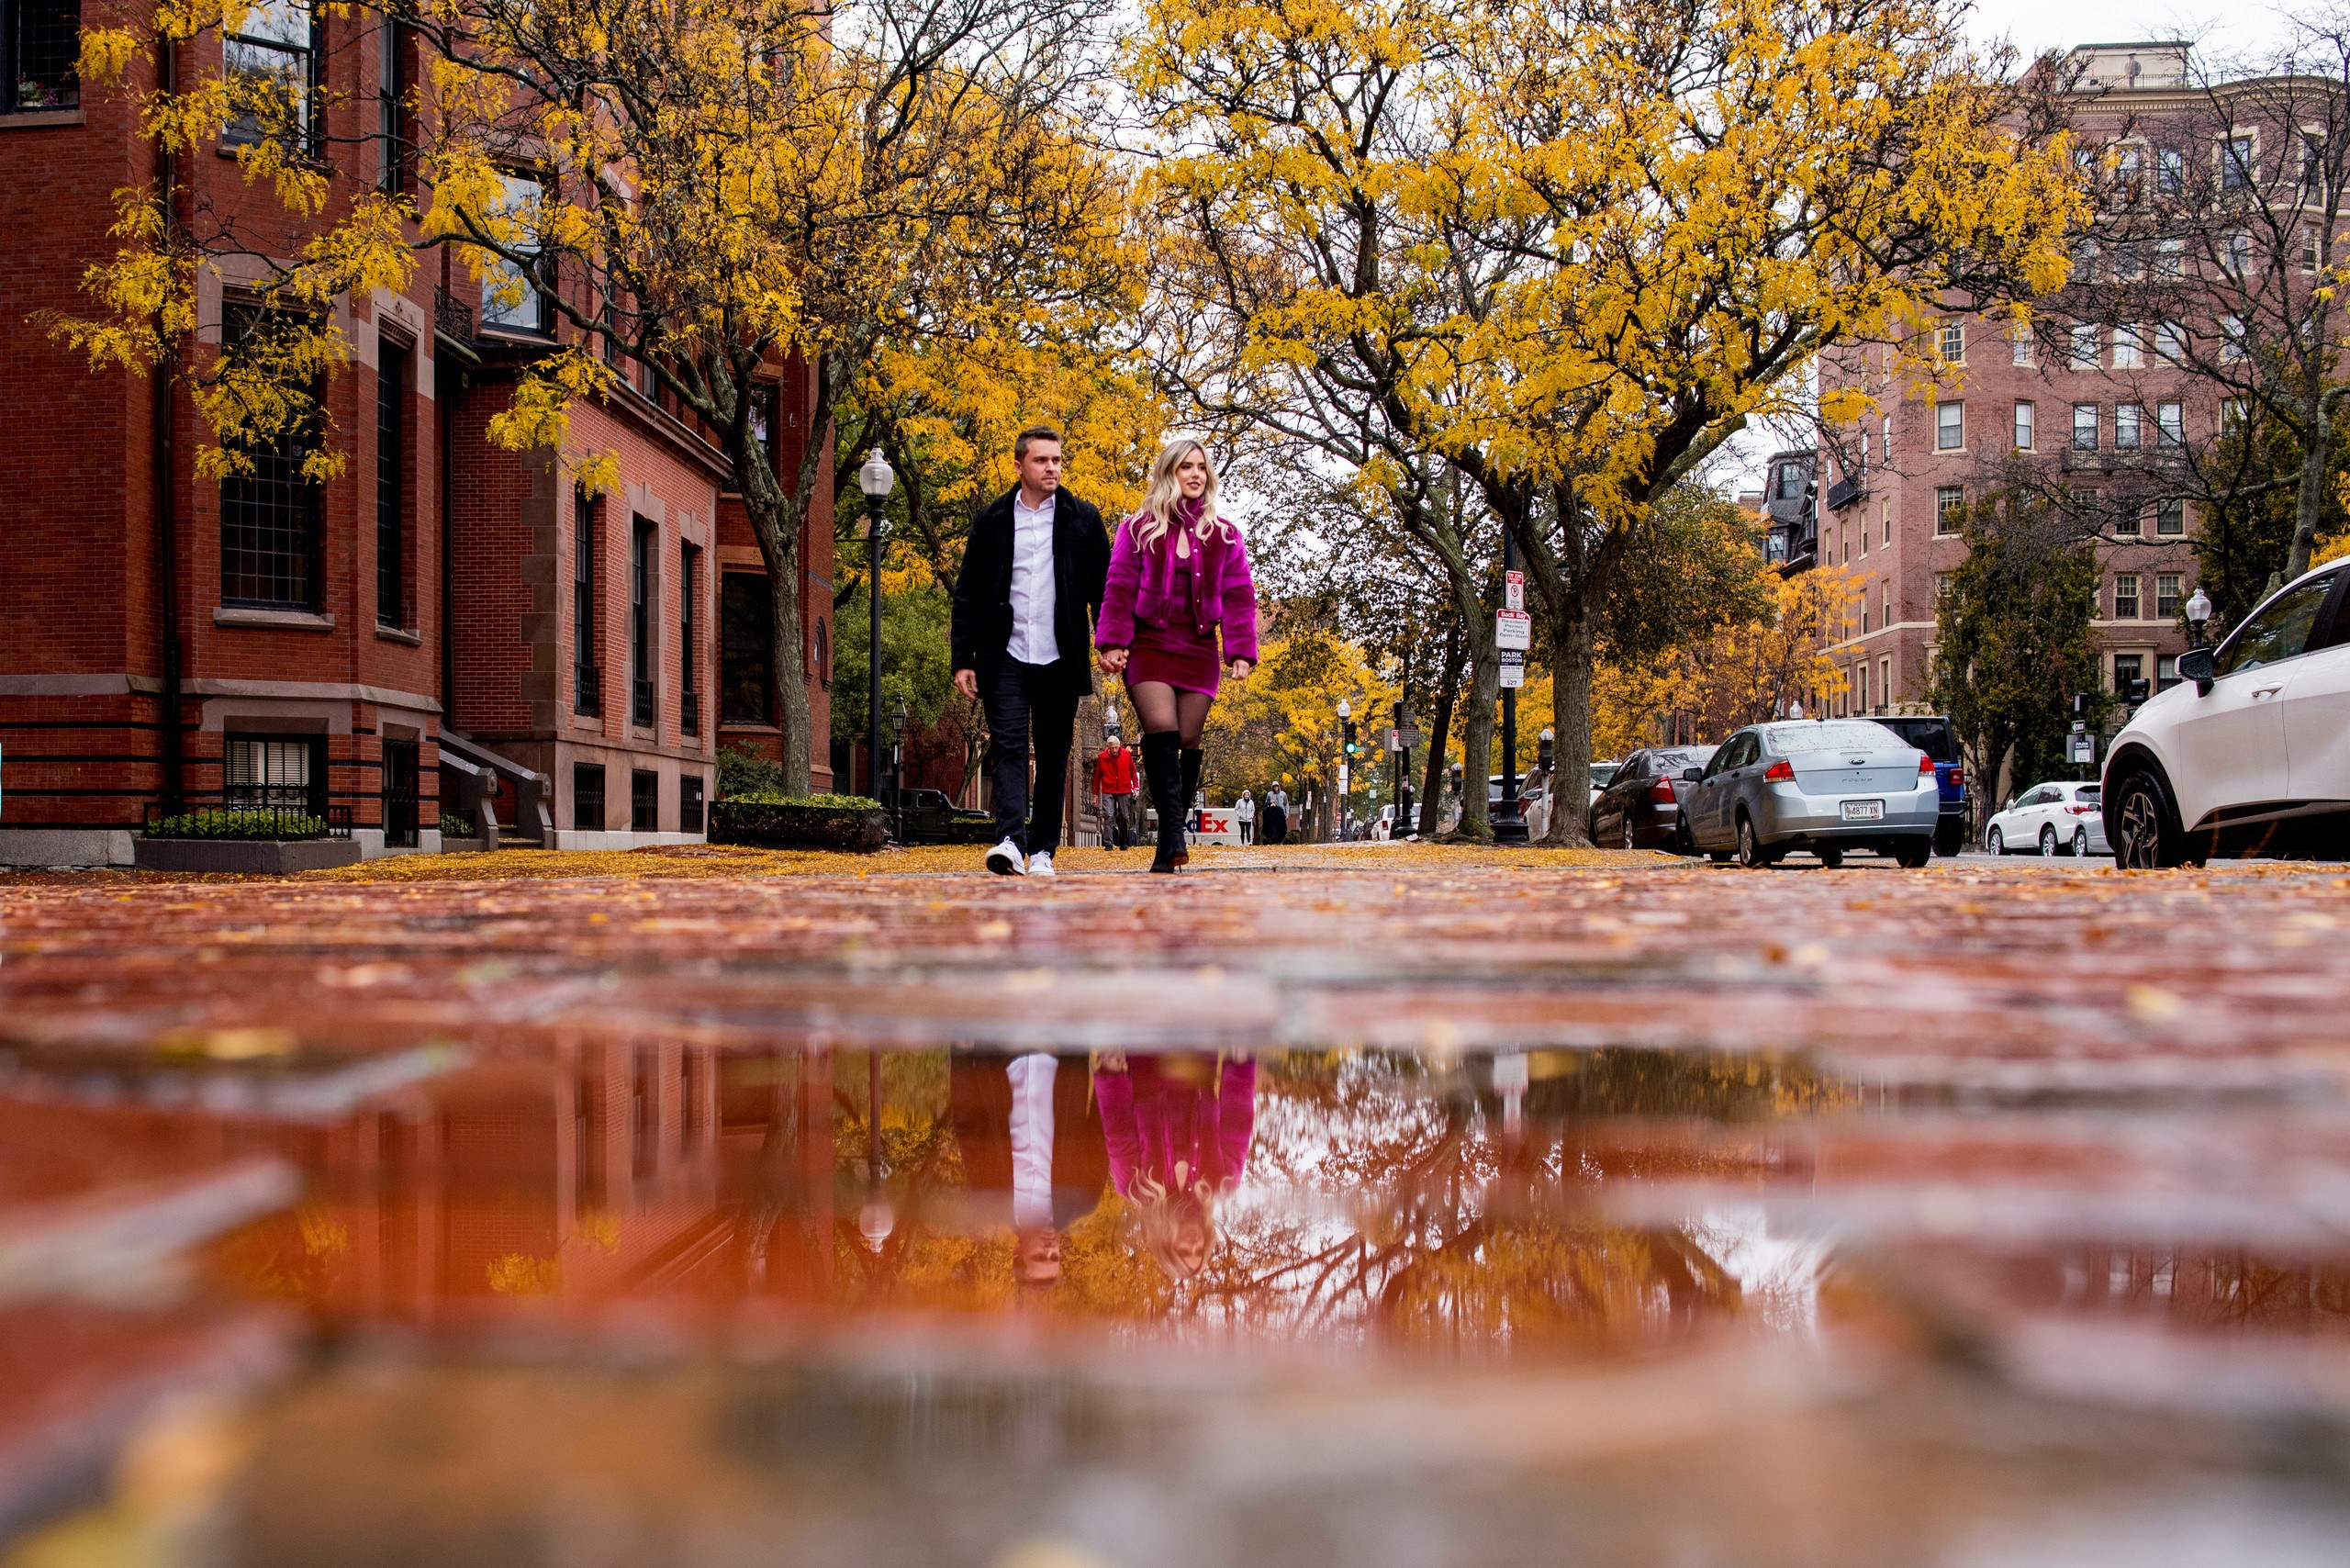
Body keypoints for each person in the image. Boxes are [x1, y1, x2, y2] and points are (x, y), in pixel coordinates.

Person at [951, 427, 1112, 878]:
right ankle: (1009, 841)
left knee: (1054, 755)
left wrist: (1109, 642)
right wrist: (963, 658)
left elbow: (1103, 589)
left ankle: (1042, 851)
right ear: (1019, 465)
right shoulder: (992, 520)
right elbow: (969, 592)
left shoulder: (1084, 519)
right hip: (1005, 655)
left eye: (1057, 460)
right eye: (1042, 460)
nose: (1052, 468)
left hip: (1060, 656)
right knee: (1007, 748)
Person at [1094, 439, 1259, 874]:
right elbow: (1119, 585)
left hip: (1199, 649)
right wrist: (1113, 641)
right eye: (1186, 466)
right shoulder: (1137, 529)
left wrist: (1240, 651)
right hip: (1149, 646)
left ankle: (1169, 841)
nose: (1195, 474)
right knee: (1162, 728)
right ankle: (1173, 837)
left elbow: (1239, 594)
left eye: (1201, 467)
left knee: (1187, 740)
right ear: (1169, 473)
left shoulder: (1224, 534)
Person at [1093, 1051, 1256, 1282]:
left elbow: (1117, 1131)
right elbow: (1238, 1120)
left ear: (1166, 1244)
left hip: (1144, 1060)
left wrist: (1111, 1073)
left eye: (1184, 1251)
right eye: (1199, 1251)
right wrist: (1241, 1063)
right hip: (1199, 1059)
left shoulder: (1135, 1187)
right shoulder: (1223, 1183)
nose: (1193, 1244)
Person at [949, 1049, 1107, 1287]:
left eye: (1040, 1256)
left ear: (1017, 1251)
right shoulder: (1083, 1197)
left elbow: (967, 1124)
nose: (1050, 1249)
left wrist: (961, 1054)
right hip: (1063, 1048)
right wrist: (1108, 1065)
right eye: (1055, 1257)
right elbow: (1101, 1126)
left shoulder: (990, 1194)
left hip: (999, 1051)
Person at [1092, 733, 1140, 850]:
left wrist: (1136, 788)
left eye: (1116, 747)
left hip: (1124, 789)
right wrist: (1095, 795)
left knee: (1124, 817)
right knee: (1108, 815)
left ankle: (1123, 841)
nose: (1114, 750)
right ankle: (1108, 843)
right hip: (1108, 790)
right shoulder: (1102, 757)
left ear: (1119, 746)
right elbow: (1097, 777)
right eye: (1112, 748)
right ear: (1108, 747)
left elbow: (1133, 772)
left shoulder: (1126, 755)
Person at [1263, 781, 1288, 846]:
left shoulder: (1283, 794)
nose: (1275, 788)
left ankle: (1281, 841)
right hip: (1273, 814)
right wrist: (1270, 802)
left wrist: (1287, 813)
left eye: (1276, 786)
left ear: (1278, 786)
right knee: (1274, 828)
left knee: (1282, 827)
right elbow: (1266, 803)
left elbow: (1286, 804)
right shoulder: (1269, 794)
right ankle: (1274, 841)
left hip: (1281, 813)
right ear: (1272, 787)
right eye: (1274, 787)